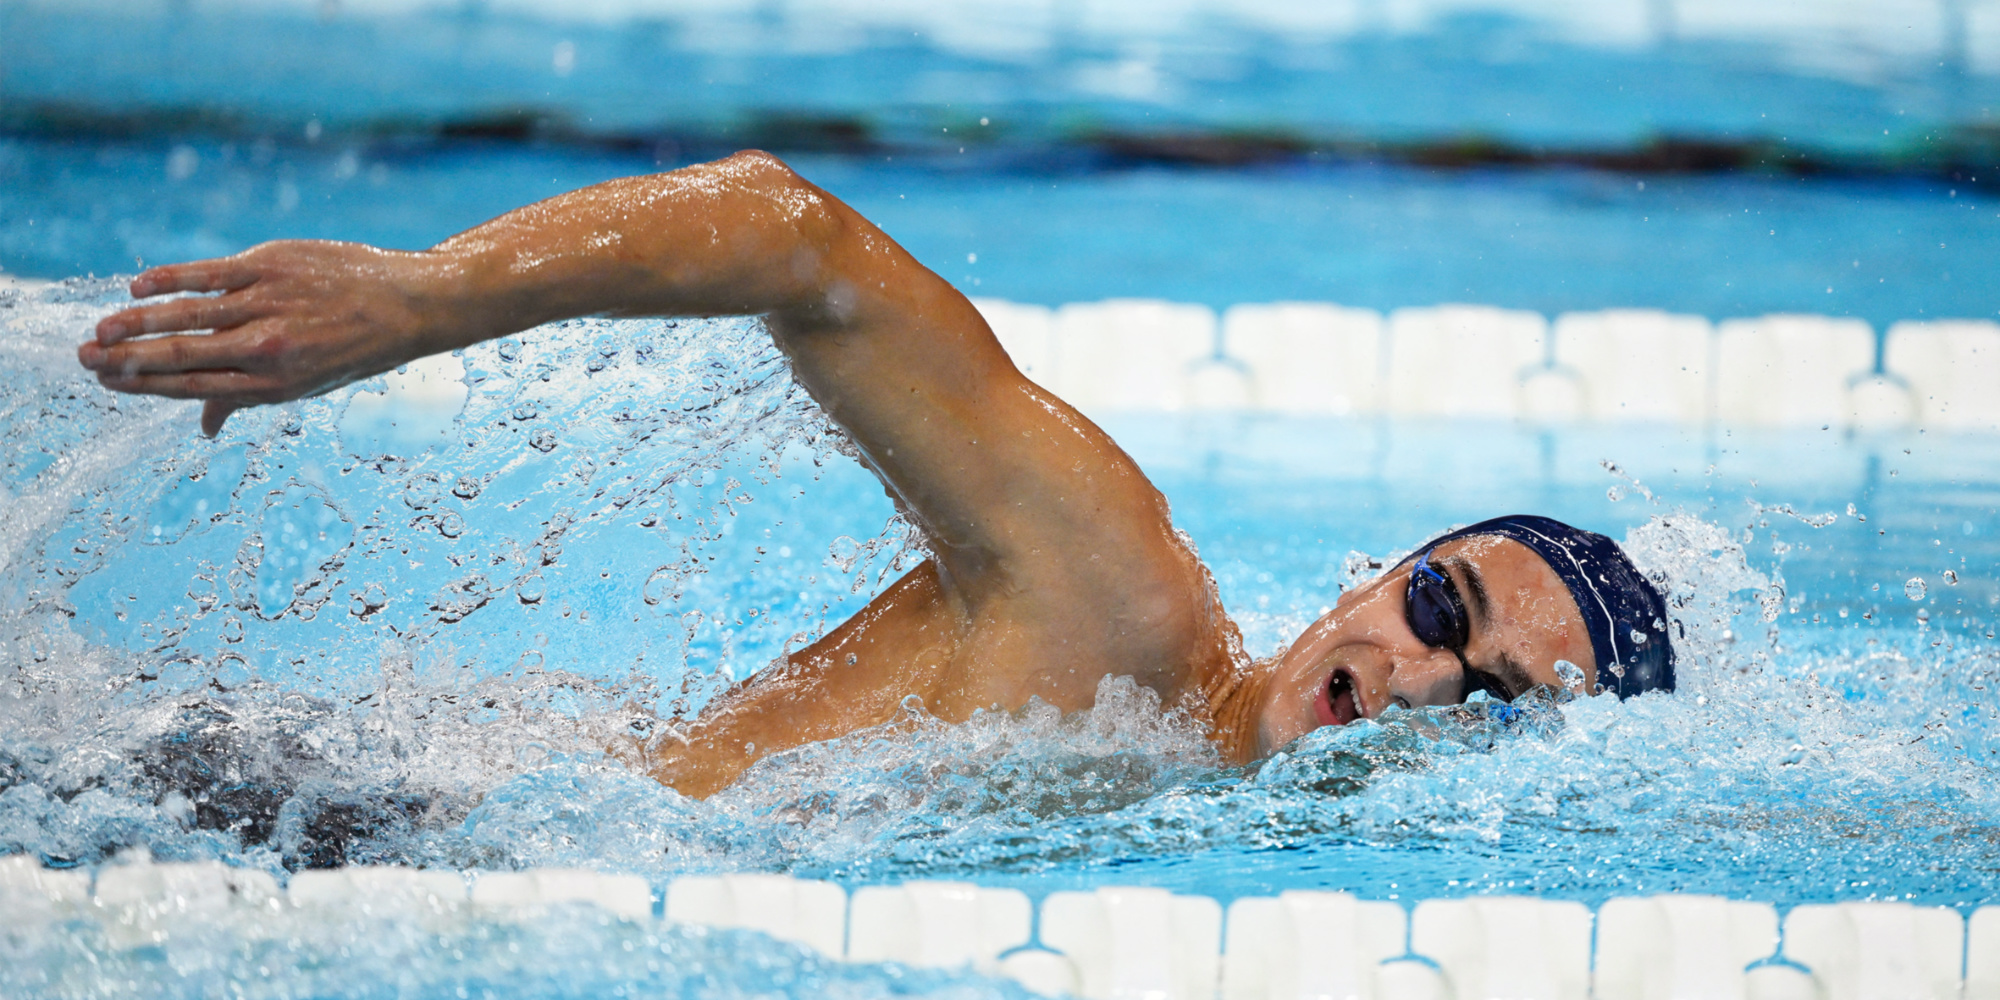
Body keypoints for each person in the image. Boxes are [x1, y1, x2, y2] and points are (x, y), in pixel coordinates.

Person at [76, 150, 1675, 798]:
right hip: (366, 818)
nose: (1416, 677)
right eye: (1441, 603)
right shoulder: (1115, 604)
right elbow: (797, 234)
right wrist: (421, 299)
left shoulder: (1197, 809)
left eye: (1494, 701)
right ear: (1380, 564)